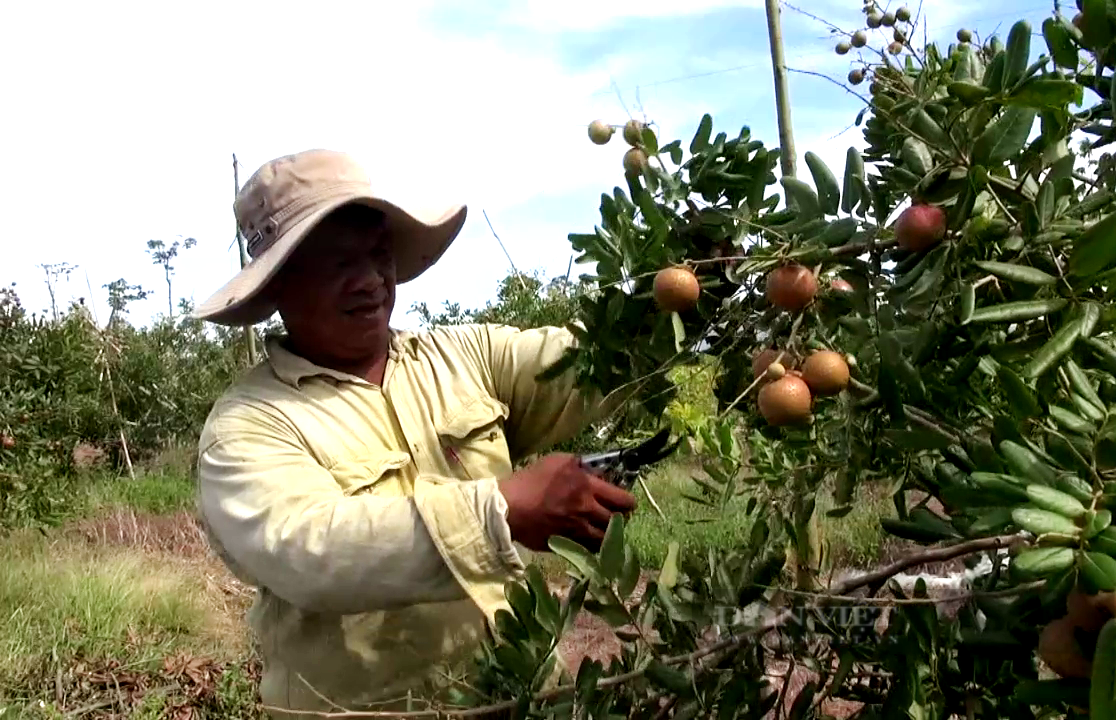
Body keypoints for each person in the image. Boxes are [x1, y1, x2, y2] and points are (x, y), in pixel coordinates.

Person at [191, 148, 637, 718]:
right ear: (280, 284)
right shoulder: (249, 427)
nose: (369, 281)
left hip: (522, 694)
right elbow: (308, 549)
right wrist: (499, 511)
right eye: (337, 264)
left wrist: (687, 290)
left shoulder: (462, 356)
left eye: (378, 255)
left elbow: (585, 363)